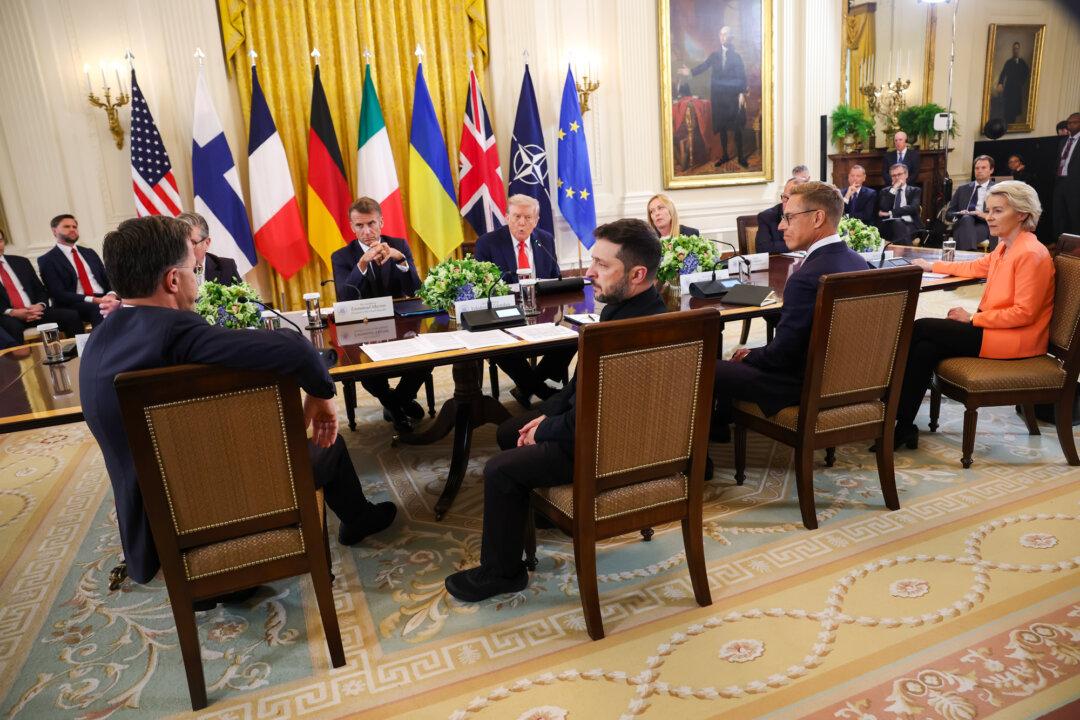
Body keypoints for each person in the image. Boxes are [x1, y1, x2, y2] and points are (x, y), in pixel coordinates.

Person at [79, 215, 396, 600]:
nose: (198, 277)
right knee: (330, 446)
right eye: (193, 269)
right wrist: (321, 394)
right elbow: (295, 347)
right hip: (219, 504)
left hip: (152, 521)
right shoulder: (175, 332)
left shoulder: (98, 341)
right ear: (173, 281)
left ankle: (220, 586)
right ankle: (357, 520)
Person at [443, 218, 667, 602]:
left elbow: (594, 416)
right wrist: (544, 418)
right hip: (604, 426)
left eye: (602, 265)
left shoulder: (626, 333)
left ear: (637, 273)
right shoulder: (636, 311)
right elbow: (582, 390)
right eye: (591, 261)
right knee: (508, 430)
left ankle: (503, 573)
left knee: (499, 469)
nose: (589, 273)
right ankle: (542, 510)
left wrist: (546, 430)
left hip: (609, 449)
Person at [892, 181, 1053, 449]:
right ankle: (903, 425)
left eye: (998, 211)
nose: (989, 216)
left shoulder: (1031, 253)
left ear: (1022, 214)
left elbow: (1024, 314)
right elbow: (977, 266)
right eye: (989, 210)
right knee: (925, 347)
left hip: (1016, 339)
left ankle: (888, 410)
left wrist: (973, 319)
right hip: (996, 331)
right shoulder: (1006, 246)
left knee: (920, 328)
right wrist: (930, 264)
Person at [711, 182, 869, 442]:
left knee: (708, 367)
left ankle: (707, 445)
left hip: (803, 385)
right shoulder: (860, 263)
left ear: (818, 218)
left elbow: (782, 356)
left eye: (788, 217)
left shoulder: (805, 277)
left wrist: (750, 355)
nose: (781, 225)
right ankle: (721, 422)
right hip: (849, 379)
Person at [330, 197, 430, 433]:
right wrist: (362, 263)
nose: (367, 231)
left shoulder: (399, 245)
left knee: (425, 361)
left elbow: (415, 290)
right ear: (352, 227)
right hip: (363, 328)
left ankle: (397, 402)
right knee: (365, 370)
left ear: (381, 222)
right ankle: (398, 406)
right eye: (359, 226)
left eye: (371, 224)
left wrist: (401, 260)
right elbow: (345, 298)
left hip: (400, 325)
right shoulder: (342, 256)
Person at [475, 195, 573, 408]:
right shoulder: (488, 243)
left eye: (528, 217)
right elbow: (482, 288)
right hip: (505, 314)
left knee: (573, 335)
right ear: (507, 216)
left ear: (536, 220)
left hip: (542, 312)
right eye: (517, 216)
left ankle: (527, 386)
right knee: (500, 346)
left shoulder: (545, 239)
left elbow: (553, 278)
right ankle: (543, 390)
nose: (522, 222)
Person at [680, 26, 749, 168]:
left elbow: (742, 76)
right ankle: (725, 155)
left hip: (733, 97)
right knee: (722, 127)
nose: (724, 37)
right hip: (719, 98)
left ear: (731, 38)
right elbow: (704, 66)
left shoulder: (736, 57)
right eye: (722, 35)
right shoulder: (715, 55)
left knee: (737, 128)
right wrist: (690, 72)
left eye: (727, 35)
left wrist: (742, 93)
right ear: (719, 36)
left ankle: (741, 156)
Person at [37, 214, 120, 328]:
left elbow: (108, 277)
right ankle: (103, 344)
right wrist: (94, 300)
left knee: (130, 303)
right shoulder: (47, 260)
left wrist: (111, 294)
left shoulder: (89, 252)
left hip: (103, 297)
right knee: (99, 309)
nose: (72, 229)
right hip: (76, 302)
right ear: (54, 231)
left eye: (74, 227)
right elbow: (58, 293)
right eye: (66, 226)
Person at [0, 227, 82, 341]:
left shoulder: (21, 262)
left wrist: (40, 305)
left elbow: (40, 289)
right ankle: (19, 359)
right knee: (13, 327)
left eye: (0, 240)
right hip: (8, 316)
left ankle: (80, 354)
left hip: (35, 311)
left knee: (71, 316)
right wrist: (12, 312)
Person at [945, 155, 998, 250]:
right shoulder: (962, 189)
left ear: (991, 170)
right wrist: (958, 214)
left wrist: (982, 214)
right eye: (977, 168)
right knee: (966, 218)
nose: (979, 170)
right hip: (963, 223)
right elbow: (948, 214)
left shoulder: (997, 189)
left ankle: (966, 258)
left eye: (983, 168)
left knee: (963, 234)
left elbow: (1002, 213)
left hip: (985, 225)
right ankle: (971, 254)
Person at [176, 212, 241, 286]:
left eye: (192, 243)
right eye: (180, 242)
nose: (185, 249)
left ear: (207, 243)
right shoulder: (167, 270)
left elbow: (245, 297)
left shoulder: (226, 267)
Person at [757, 177, 806, 253]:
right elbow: (763, 248)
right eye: (785, 197)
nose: (787, 203)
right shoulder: (767, 216)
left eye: (793, 200)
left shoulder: (810, 215)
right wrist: (800, 245)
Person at [878, 164, 923, 245]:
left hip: (910, 224)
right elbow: (884, 208)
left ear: (906, 174)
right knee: (897, 223)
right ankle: (909, 253)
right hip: (890, 226)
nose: (897, 178)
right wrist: (894, 189)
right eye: (894, 175)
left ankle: (899, 253)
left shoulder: (915, 190)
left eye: (899, 174)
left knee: (899, 229)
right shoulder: (885, 191)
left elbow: (914, 208)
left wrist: (891, 212)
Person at [1053, 112, 1080, 238]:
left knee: (1074, 214)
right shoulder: (1063, 141)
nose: (1070, 125)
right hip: (1060, 181)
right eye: (1069, 122)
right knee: (1059, 213)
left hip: (1075, 183)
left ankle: (1075, 245)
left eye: (1074, 122)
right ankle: (1060, 242)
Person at [996, 42, 1030, 125]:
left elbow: (1027, 74)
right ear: (1012, 50)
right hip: (1008, 90)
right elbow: (1003, 74)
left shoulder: (1022, 63)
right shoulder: (1008, 62)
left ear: (1019, 50)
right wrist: (1000, 83)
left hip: (1017, 91)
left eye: (1017, 48)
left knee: (1014, 112)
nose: (1016, 50)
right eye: (1014, 48)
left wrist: (1021, 83)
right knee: (1007, 111)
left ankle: (1012, 126)